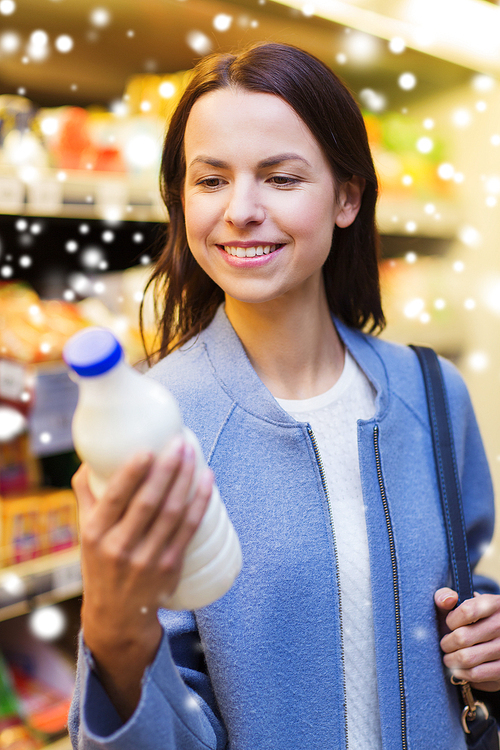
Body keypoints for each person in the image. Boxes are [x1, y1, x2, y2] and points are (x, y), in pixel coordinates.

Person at [68, 42, 500, 749]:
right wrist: (114, 640)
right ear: (180, 199)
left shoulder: (432, 392)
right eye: (211, 180)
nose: (241, 210)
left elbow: (465, 587)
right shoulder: (156, 424)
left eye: (280, 177)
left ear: (347, 197)